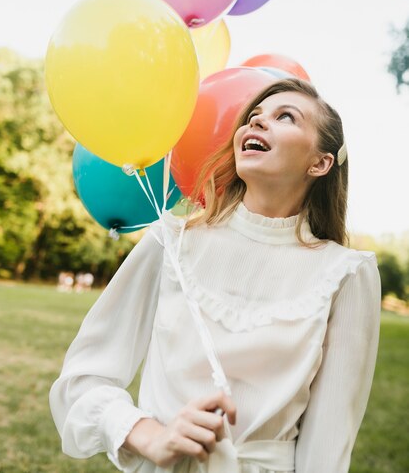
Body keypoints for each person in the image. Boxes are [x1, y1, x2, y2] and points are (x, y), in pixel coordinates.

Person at [49, 78, 381, 473]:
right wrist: (150, 435)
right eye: (253, 117)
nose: (255, 124)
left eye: (285, 117)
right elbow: (82, 380)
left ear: (320, 162)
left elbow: (327, 448)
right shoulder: (172, 240)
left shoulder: (347, 273)